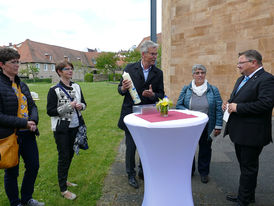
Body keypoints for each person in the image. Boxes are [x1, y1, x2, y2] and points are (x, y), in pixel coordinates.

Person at [223, 50, 274, 206]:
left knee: (248, 167)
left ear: (254, 63)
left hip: (252, 133)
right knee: (245, 166)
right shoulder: (241, 79)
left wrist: (238, 108)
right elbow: (235, 99)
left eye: (241, 63)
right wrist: (228, 104)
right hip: (240, 132)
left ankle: (244, 199)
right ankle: (246, 195)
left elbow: (266, 104)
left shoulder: (267, 79)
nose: (238, 66)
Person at [0, 48, 44, 206]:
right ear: (2, 65)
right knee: (12, 171)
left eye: (18, 61)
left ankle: (27, 198)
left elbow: (33, 106)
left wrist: (33, 121)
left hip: (28, 134)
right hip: (10, 136)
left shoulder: (22, 84)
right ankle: (15, 202)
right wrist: (23, 123)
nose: (17, 65)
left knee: (33, 167)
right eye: (13, 62)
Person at [118, 40, 165, 188]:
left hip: (148, 115)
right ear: (143, 54)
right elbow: (120, 90)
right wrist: (124, 89)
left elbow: (161, 95)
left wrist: (152, 95)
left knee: (146, 145)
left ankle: (143, 171)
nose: (155, 56)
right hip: (131, 114)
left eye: (156, 54)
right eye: (152, 53)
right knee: (131, 146)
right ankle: (130, 174)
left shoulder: (158, 73)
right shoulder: (129, 68)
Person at [176, 64, 223, 184]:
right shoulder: (186, 89)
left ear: (205, 74)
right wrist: (188, 113)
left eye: (202, 72)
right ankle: (189, 171)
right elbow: (179, 105)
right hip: (190, 125)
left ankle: (204, 172)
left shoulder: (213, 89)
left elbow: (218, 108)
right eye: (197, 73)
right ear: (193, 75)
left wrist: (218, 126)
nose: (200, 75)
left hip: (207, 125)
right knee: (188, 149)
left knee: (205, 149)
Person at [47, 61, 87, 200]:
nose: (70, 71)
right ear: (59, 71)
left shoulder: (76, 86)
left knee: (69, 155)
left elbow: (84, 104)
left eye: (71, 68)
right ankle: (63, 190)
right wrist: (68, 107)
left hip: (76, 126)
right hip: (61, 129)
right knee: (64, 157)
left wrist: (80, 106)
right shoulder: (54, 90)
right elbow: (50, 111)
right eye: (66, 69)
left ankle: (64, 180)